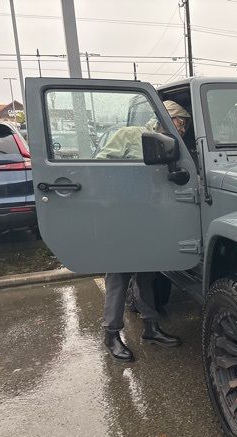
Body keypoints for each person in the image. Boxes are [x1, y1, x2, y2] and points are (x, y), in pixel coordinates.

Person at [100, 100, 191, 362]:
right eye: (179, 121)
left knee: (147, 275)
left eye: (185, 123)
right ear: (164, 117)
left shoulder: (176, 146)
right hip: (124, 215)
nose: (182, 128)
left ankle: (151, 328)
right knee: (118, 275)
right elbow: (100, 166)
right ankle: (112, 334)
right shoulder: (129, 135)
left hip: (151, 217)